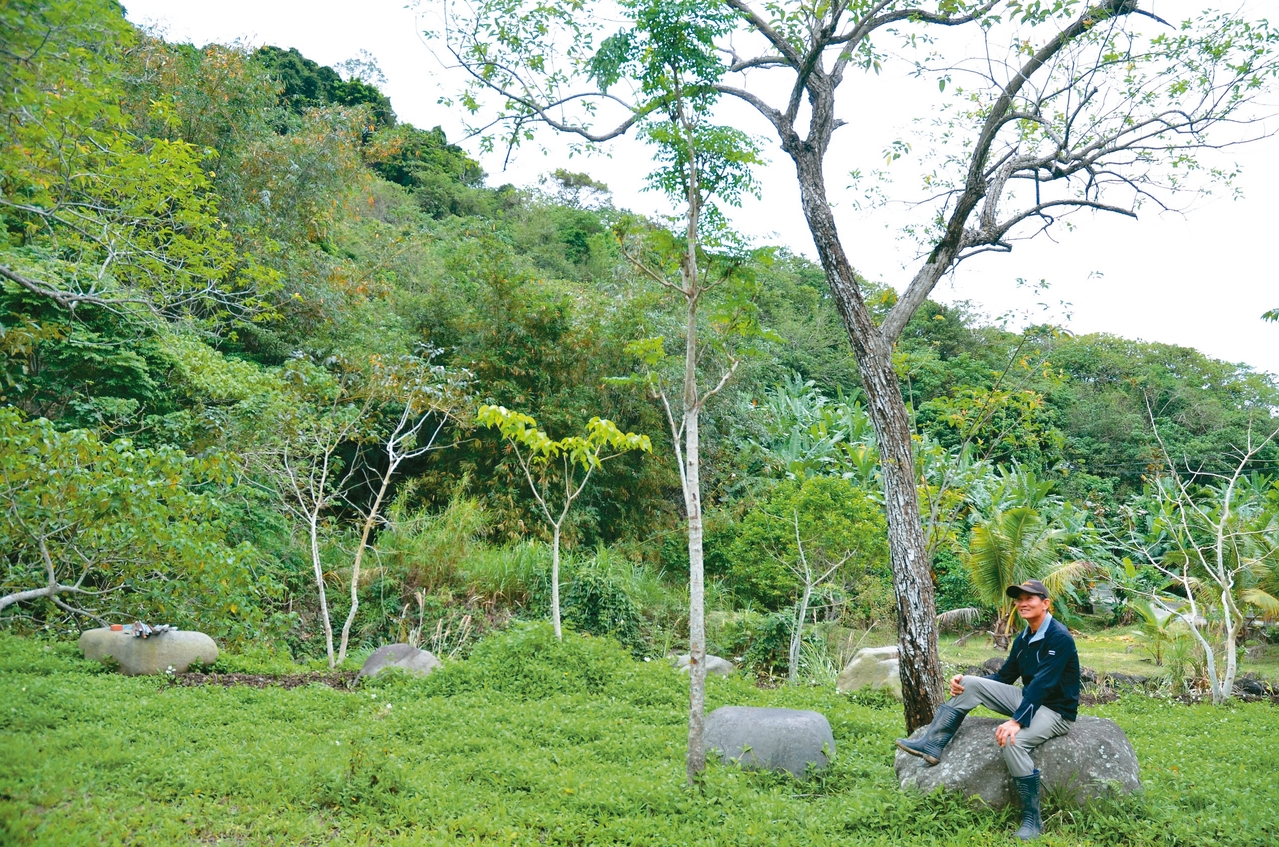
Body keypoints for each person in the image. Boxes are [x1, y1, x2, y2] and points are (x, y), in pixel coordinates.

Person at [895, 579, 1080, 841]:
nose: (1022, 603)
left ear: (1046, 603)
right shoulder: (1024, 637)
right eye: (1019, 599)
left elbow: (1044, 684)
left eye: (1030, 598)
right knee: (969, 684)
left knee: (1012, 741)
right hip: (1030, 699)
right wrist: (966, 681)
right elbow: (1005, 676)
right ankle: (933, 744)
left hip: (1055, 712)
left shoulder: (1059, 638)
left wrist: (1016, 721)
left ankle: (1032, 818)